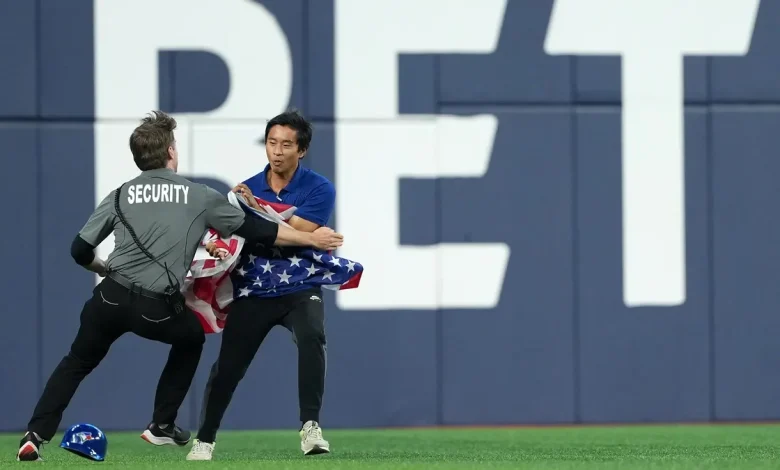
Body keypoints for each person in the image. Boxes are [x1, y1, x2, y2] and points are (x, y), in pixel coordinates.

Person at [16, 110, 344, 462]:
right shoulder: (197, 195)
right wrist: (309, 239)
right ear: (171, 152)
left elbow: (79, 249)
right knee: (191, 339)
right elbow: (259, 230)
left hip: (108, 299)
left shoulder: (119, 194)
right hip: (155, 308)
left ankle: (35, 434)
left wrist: (105, 268)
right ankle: (161, 424)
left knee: (76, 361)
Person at [186, 110, 336, 461]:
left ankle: (310, 427)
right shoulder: (247, 188)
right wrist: (246, 215)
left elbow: (292, 233)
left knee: (313, 335)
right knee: (229, 366)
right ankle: (205, 439)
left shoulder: (319, 188)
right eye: (272, 143)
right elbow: (251, 235)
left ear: (302, 150)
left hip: (299, 283)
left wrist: (254, 213)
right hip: (253, 287)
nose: (277, 151)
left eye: (287, 144)